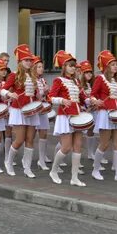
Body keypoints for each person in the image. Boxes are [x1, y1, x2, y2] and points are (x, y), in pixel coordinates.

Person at [48, 51, 89, 187]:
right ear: (64, 66)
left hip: (77, 116)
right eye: (70, 66)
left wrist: (92, 101)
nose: (73, 68)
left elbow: (82, 98)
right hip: (65, 116)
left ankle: (74, 177)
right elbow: (50, 97)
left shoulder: (77, 81)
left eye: (74, 66)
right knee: (66, 147)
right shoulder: (58, 80)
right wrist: (62, 100)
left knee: (78, 146)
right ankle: (53, 171)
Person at [90, 50, 117, 183]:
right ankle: (95, 170)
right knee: (105, 143)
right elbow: (93, 94)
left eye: (116, 64)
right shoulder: (100, 78)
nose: (115, 66)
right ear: (106, 66)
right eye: (112, 64)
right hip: (105, 113)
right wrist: (95, 101)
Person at [1, 44, 38, 178]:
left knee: (30, 139)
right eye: (26, 60)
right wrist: (10, 94)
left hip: (31, 110)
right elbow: (3, 89)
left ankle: (27, 167)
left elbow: (35, 93)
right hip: (19, 110)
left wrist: (40, 95)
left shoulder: (33, 76)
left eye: (30, 60)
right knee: (20, 139)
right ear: (20, 62)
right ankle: (9, 162)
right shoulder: (13, 75)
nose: (29, 62)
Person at [32, 57, 51, 171]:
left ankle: (42, 159)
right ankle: (26, 158)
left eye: (42, 67)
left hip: (42, 109)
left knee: (43, 134)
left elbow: (44, 96)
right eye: (39, 67)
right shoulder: (31, 80)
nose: (41, 69)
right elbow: (35, 96)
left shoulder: (43, 80)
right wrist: (43, 91)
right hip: (34, 109)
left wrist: (47, 93)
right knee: (31, 135)